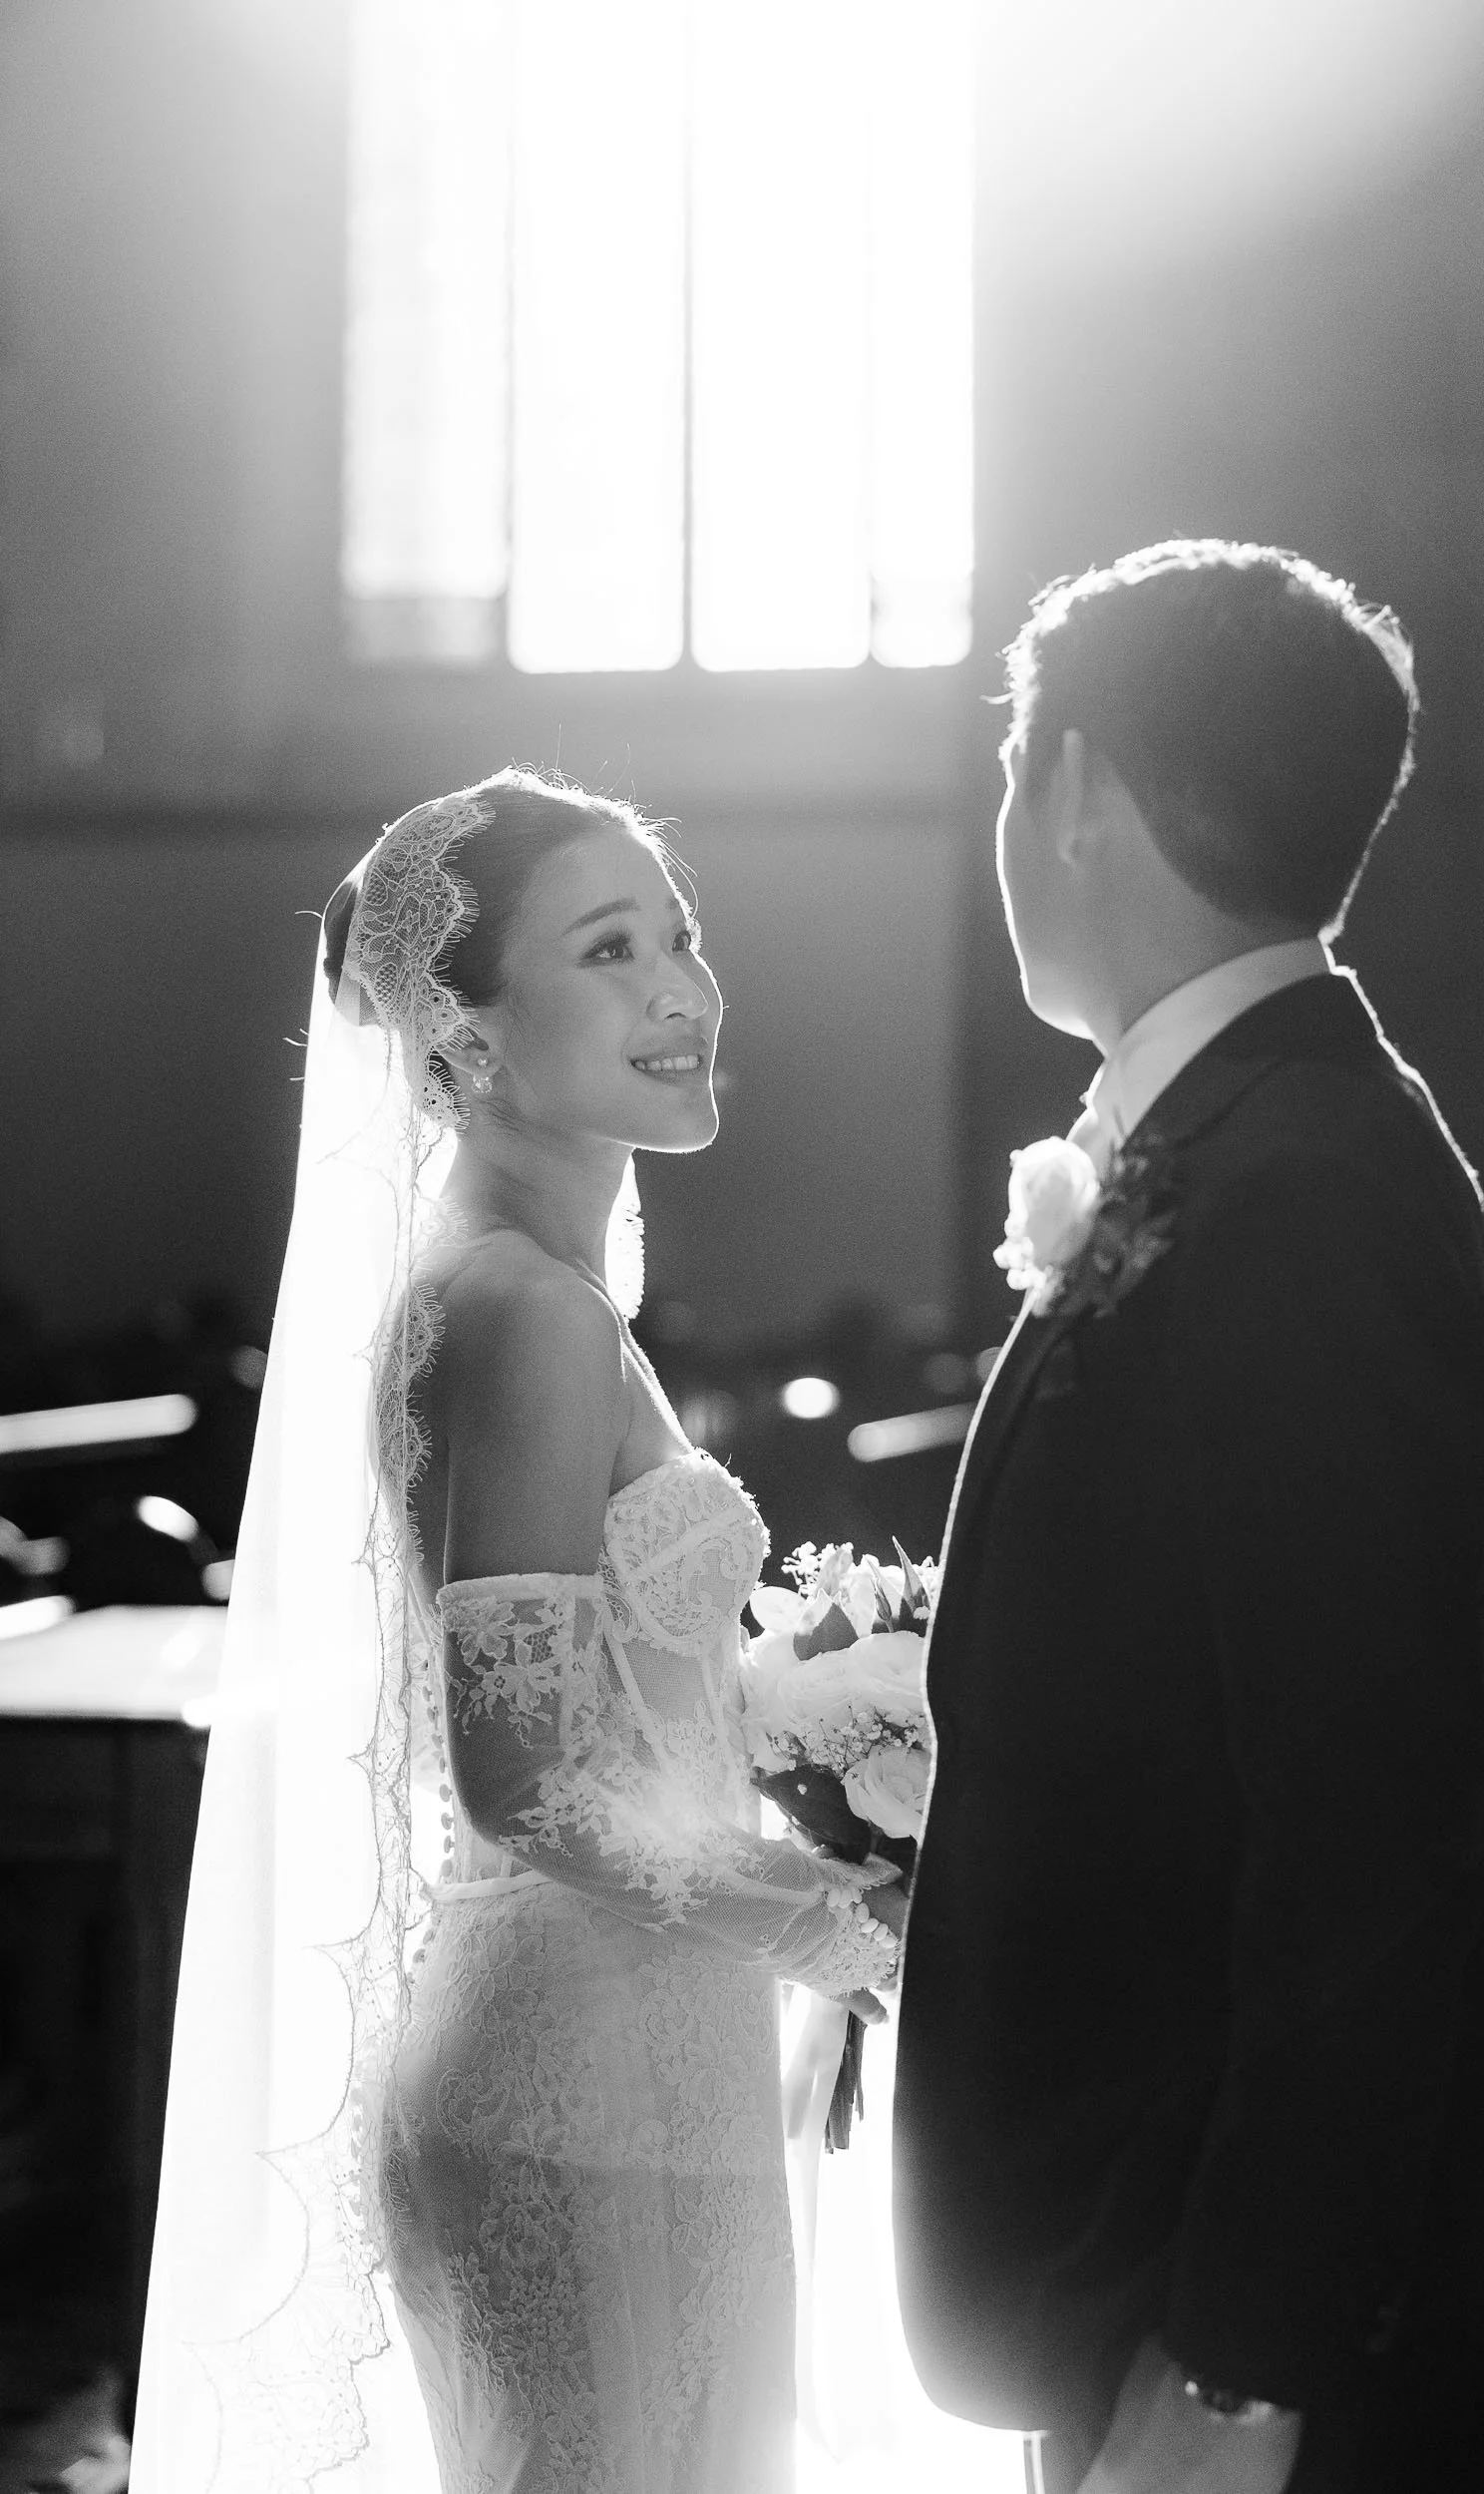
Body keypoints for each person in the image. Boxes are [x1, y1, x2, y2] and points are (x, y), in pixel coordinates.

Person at [892, 542, 1484, 2494]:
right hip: (1131, 2238)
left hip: (1238, 2317)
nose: (1006, 816)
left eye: (1019, 759)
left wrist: (1231, 2371)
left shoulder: (1300, 1193)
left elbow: (1363, 1829)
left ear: (1083, 787)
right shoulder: (1233, 1132)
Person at [132, 770, 901, 2494]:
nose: (682, 991)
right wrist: (842, 1917)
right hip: (576, 2098)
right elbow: (527, 1783)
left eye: (682, 935)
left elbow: (605, 1721)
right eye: (610, 949)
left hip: (630, 2067)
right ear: (460, 1042)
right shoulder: (520, 1314)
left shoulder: (524, 1293)